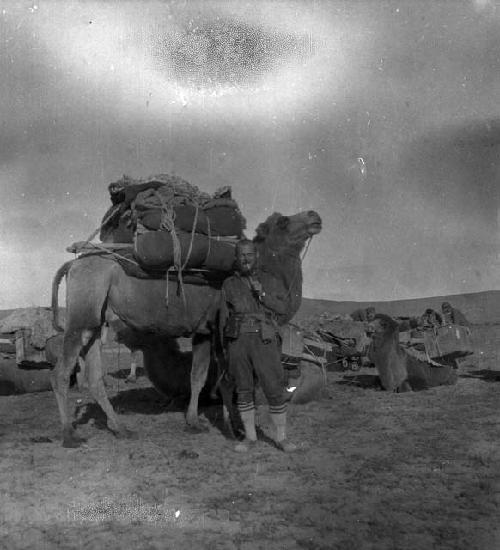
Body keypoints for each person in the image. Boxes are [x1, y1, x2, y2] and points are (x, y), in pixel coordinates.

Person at [220, 239, 296, 453]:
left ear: (256, 256)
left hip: (264, 339)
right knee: (243, 389)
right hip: (238, 341)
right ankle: (250, 438)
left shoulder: (269, 281)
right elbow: (223, 319)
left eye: (249, 255)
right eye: (241, 255)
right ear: (237, 259)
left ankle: (281, 438)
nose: (245, 259)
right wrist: (226, 348)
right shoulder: (229, 284)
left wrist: (262, 293)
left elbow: (283, 308)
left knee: (274, 388)